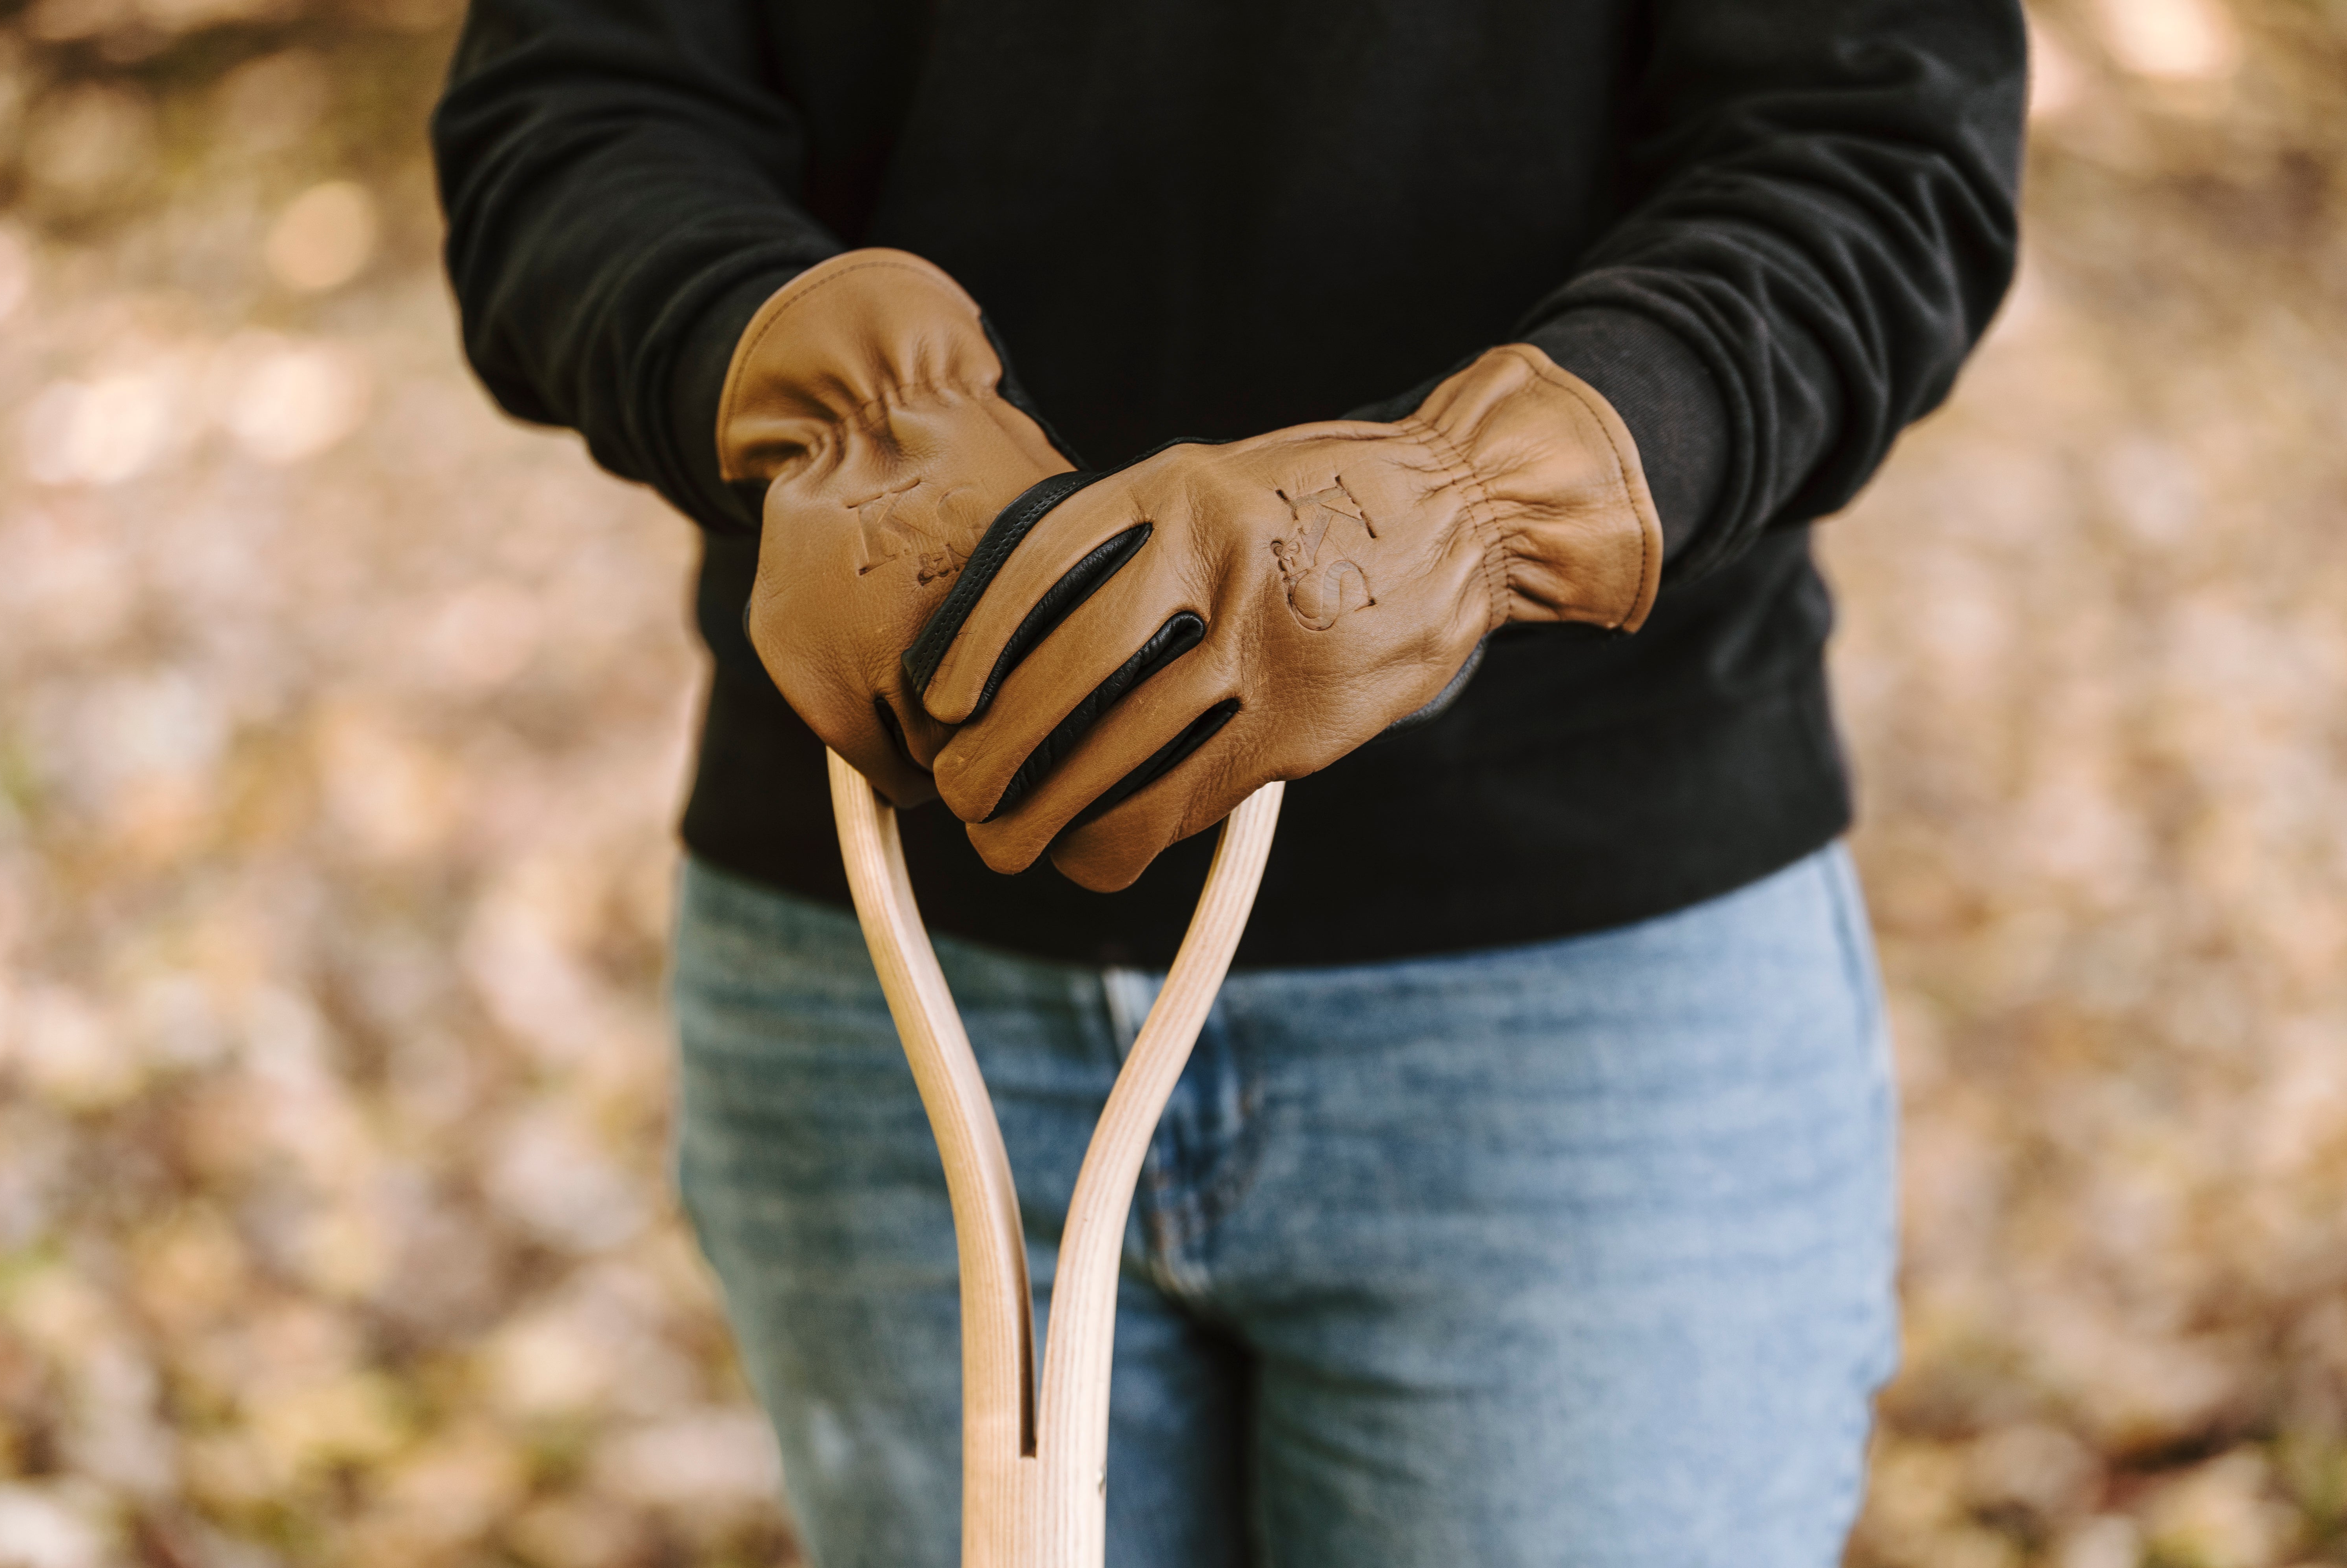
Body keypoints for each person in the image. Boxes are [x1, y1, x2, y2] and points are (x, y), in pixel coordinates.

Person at [432, 4, 2025, 1563]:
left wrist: (1490, 495)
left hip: (1583, 999)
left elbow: (1875, 139)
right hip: (886, 992)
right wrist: (791, 374)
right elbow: (574, 102)